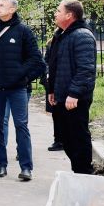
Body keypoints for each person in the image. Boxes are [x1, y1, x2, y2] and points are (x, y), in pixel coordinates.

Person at [0, 0, 47, 181]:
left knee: (21, 126)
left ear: (12, 9)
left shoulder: (23, 31)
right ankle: (0, 165)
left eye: (2, 5)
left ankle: (26, 168)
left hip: (17, 89)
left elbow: (36, 60)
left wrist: (22, 76)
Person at [46, 0, 97, 174]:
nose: (55, 13)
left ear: (69, 15)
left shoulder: (81, 35)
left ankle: (85, 174)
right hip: (62, 96)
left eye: (58, 10)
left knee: (78, 136)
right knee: (66, 138)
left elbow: (86, 69)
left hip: (75, 98)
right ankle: (78, 173)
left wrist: (74, 93)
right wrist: (51, 90)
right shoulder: (62, 34)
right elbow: (56, 65)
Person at [44, 24, 65, 153]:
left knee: (64, 113)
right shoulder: (52, 42)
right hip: (52, 82)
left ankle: (65, 139)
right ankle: (58, 140)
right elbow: (46, 60)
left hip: (64, 81)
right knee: (56, 113)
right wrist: (47, 73)